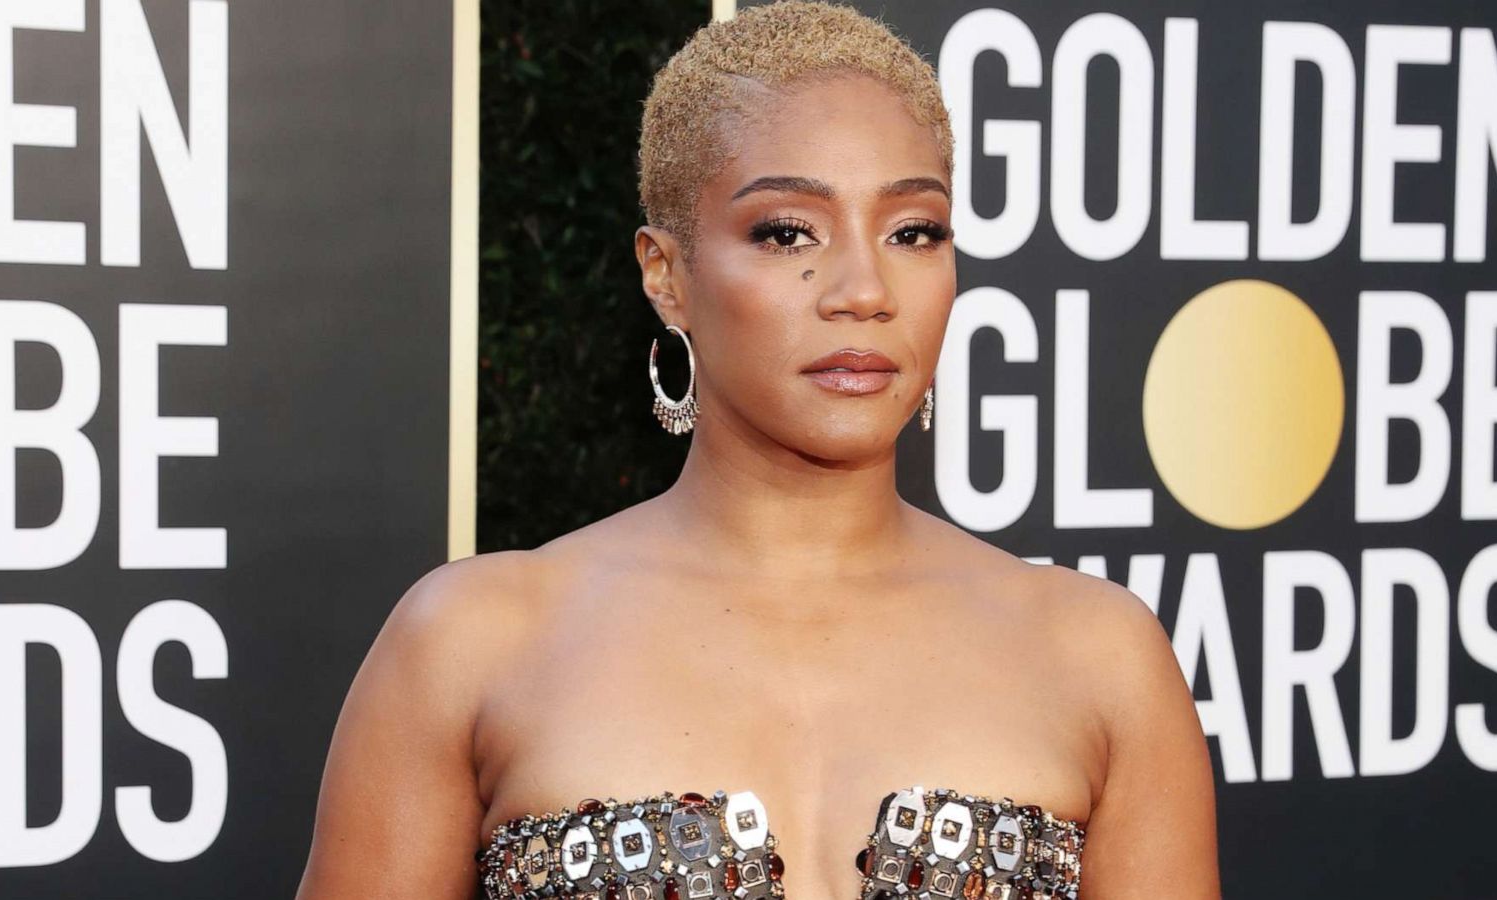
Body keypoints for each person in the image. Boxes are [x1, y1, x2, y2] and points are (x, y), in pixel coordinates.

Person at [294, 2, 1220, 899]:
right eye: (787, 233)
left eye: (913, 232)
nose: (864, 290)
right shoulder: (472, 645)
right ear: (667, 276)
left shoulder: (1100, 657)